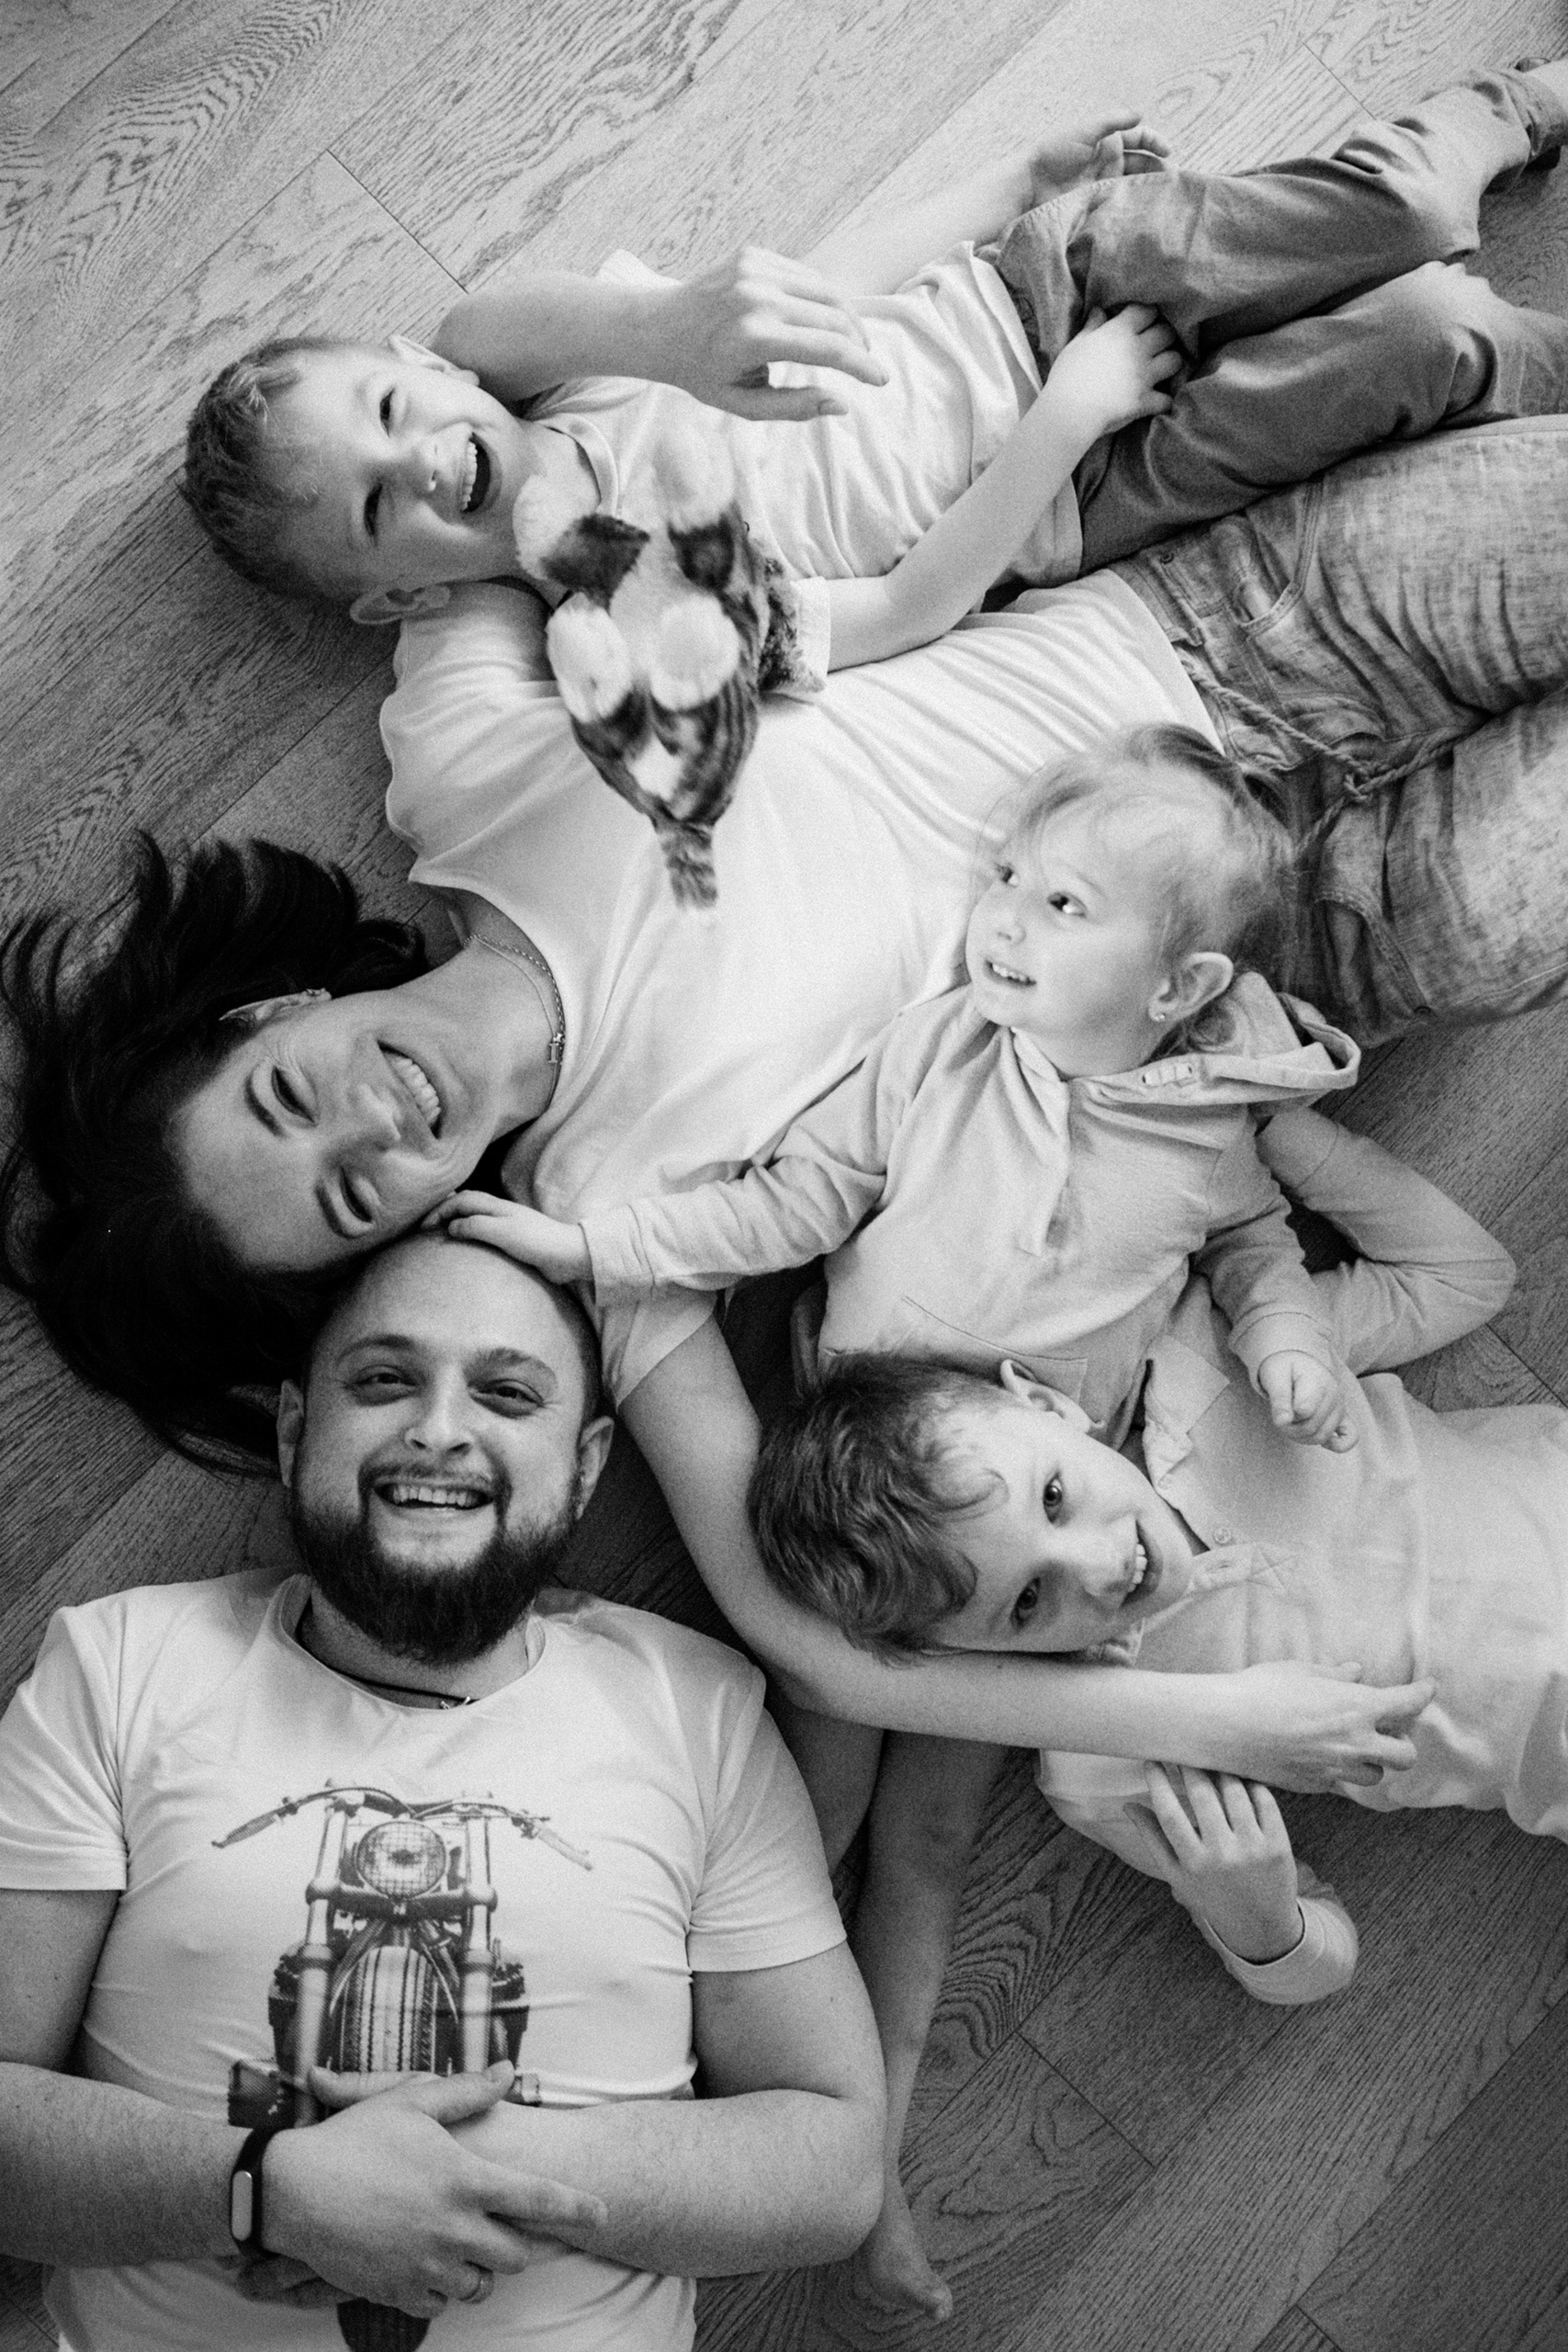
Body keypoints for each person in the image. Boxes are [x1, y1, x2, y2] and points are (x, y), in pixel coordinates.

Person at [0, 1232, 884, 2352]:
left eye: (507, 1393)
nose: (439, 1427)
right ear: (294, 1430)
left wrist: (466, 2167)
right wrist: (263, 2188)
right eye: (384, 1379)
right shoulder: (121, 1665)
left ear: (587, 1465)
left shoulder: (695, 1707)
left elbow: (836, 2165)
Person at [744, 1105, 1540, 2307]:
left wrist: (1273, 1136)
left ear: (1046, 1405)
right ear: (974, 1666)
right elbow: (1319, 1965)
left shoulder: (1214, 1371)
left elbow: (1465, 1275)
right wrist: (1255, 1914)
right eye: (1026, 1605)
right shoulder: (1103, 1758)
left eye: (1055, 1497)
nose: (1097, 1565)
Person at [181, 72, 1568, 688]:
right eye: (378, 508)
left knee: (1398, 207)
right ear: (396, 598)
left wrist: (1009, 181)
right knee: (1437, 336)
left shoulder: (561, 374)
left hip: (1036, 285)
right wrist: (1067, 415)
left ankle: (1513, 104)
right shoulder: (622, 633)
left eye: (389, 411)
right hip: (1089, 480)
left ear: (422, 369)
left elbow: (815, 285)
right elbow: (905, 609)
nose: (422, 460)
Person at [433, 723, 1361, 1451]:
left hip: (1057, 1467)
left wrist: (1289, 1340)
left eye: (1063, 903)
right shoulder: (938, 1054)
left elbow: (1252, 1244)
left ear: (1177, 988)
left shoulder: (1204, 1129)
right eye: (1007, 876)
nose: (1003, 917)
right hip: (870, 1438)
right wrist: (595, 1248)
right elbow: (792, 1205)